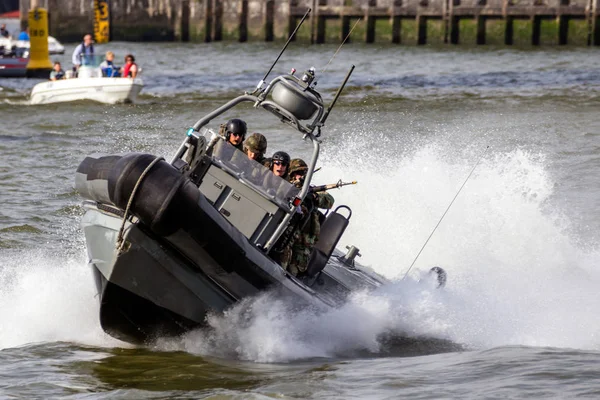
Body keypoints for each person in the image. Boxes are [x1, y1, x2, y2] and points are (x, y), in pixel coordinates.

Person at [277, 158, 334, 276]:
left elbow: (329, 200)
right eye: (297, 173)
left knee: (293, 268)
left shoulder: (310, 190)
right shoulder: (283, 185)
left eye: (303, 174)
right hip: (281, 231)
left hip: (300, 240)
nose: (300, 177)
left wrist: (313, 197)